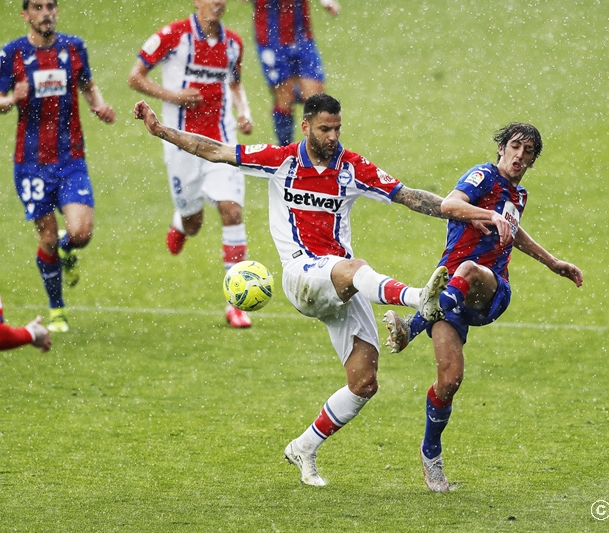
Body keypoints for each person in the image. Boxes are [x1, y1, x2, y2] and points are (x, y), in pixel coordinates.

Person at [134, 93, 501, 486]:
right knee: (355, 267)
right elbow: (214, 150)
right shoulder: (280, 160)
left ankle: (304, 447)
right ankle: (418, 299)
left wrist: (472, 213)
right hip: (302, 276)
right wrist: (161, 130)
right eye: (325, 129)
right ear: (306, 126)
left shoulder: (352, 167)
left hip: (341, 285)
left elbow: (411, 197)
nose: (333, 136)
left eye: (337, 128)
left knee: (364, 383)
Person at [383, 122, 584, 492]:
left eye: (528, 152)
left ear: (533, 160)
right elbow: (449, 204)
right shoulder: (484, 176)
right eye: (515, 147)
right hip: (449, 292)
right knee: (449, 380)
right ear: (501, 149)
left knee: (470, 269)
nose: (520, 156)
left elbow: (514, 231)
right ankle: (431, 455)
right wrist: (488, 215)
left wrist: (552, 262)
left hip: (488, 289)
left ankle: (412, 326)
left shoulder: (518, 195)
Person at [128, 0, 255, 328]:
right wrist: (172, 96)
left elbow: (235, 83)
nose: (216, 2)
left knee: (232, 211)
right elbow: (135, 77)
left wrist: (244, 112)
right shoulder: (172, 36)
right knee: (194, 221)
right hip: (180, 143)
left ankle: (235, 302)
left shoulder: (233, 43)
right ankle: (182, 223)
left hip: (221, 142)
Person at [0, 0, 116, 333]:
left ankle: (68, 250)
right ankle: (57, 309)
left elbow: (87, 85)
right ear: (25, 15)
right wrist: (12, 98)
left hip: (70, 158)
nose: (45, 13)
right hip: (30, 163)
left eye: (50, 6)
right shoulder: (11, 53)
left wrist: (99, 106)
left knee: (81, 233)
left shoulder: (74, 47)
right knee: (47, 236)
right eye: (37, 7)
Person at [243, 0, 340, 146]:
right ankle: (286, 151)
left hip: (301, 36)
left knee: (317, 101)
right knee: (285, 99)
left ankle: (321, 152)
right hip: (271, 39)